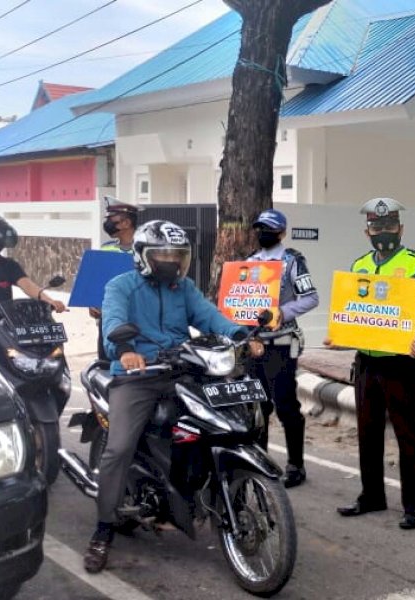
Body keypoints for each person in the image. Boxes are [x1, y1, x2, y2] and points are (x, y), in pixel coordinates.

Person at [83, 219, 264, 574]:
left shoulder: (184, 288)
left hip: (183, 370)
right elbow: (113, 323)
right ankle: (103, 530)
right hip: (139, 376)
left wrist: (241, 334)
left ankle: (192, 488)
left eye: (177, 254)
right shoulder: (121, 286)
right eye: (163, 253)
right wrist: (125, 350)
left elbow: (210, 317)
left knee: (216, 422)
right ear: (142, 256)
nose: (172, 260)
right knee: (118, 448)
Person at [330, 197, 415, 530]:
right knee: (367, 431)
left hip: (401, 364)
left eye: (389, 226)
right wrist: (340, 336)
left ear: (401, 228)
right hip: (366, 363)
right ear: (366, 231)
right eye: (376, 227)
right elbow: (354, 316)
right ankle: (372, 496)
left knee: (408, 434)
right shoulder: (359, 266)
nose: (383, 232)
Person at [247, 209, 319, 488]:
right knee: (258, 407)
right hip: (254, 344)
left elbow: (310, 297)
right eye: (260, 228)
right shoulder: (250, 262)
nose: (263, 233)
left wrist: (282, 312)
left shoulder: (292, 262)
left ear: (281, 233)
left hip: (281, 344)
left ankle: (295, 465)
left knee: (286, 406)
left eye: (269, 228)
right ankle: (260, 460)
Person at [89, 196, 139, 360]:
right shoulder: (106, 248)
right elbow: (97, 281)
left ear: (126, 223)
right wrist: (93, 302)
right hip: (108, 318)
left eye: (112, 219)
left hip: (137, 316)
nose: (108, 222)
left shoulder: (144, 249)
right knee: (105, 362)